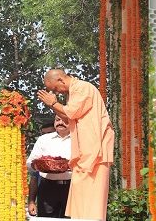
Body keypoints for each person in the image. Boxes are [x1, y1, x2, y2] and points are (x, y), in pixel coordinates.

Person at [36, 69, 115, 221]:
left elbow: (71, 113)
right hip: (85, 152)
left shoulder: (82, 88)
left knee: (92, 202)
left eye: (54, 89)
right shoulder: (73, 92)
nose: (56, 93)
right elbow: (67, 116)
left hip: (95, 151)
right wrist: (53, 105)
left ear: (60, 80)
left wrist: (52, 102)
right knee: (81, 199)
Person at [26, 115, 72, 218]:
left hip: (72, 188)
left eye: (64, 120)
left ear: (72, 122)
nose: (60, 123)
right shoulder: (44, 139)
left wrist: (69, 165)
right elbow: (30, 163)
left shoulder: (79, 140)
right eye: (57, 120)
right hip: (48, 187)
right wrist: (41, 165)